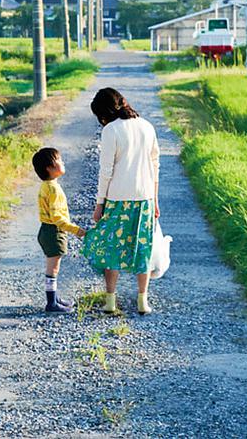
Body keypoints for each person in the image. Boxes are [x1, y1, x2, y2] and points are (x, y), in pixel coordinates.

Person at [81, 87, 160, 315]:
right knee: (142, 247)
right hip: (145, 197)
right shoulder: (147, 126)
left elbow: (105, 172)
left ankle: (110, 301)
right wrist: (155, 200)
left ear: (104, 113)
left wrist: (99, 205)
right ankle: (142, 301)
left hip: (117, 198)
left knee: (111, 249)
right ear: (123, 102)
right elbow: (155, 166)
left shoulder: (111, 131)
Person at [33, 147, 85, 314]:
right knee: (53, 268)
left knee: (54, 266)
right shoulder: (53, 189)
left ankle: (55, 298)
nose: (63, 162)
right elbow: (56, 217)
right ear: (50, 167)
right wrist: (75, 230)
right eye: (59, 160)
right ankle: (51, 303)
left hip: (47, 230)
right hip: (53, 231)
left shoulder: (47, 185)